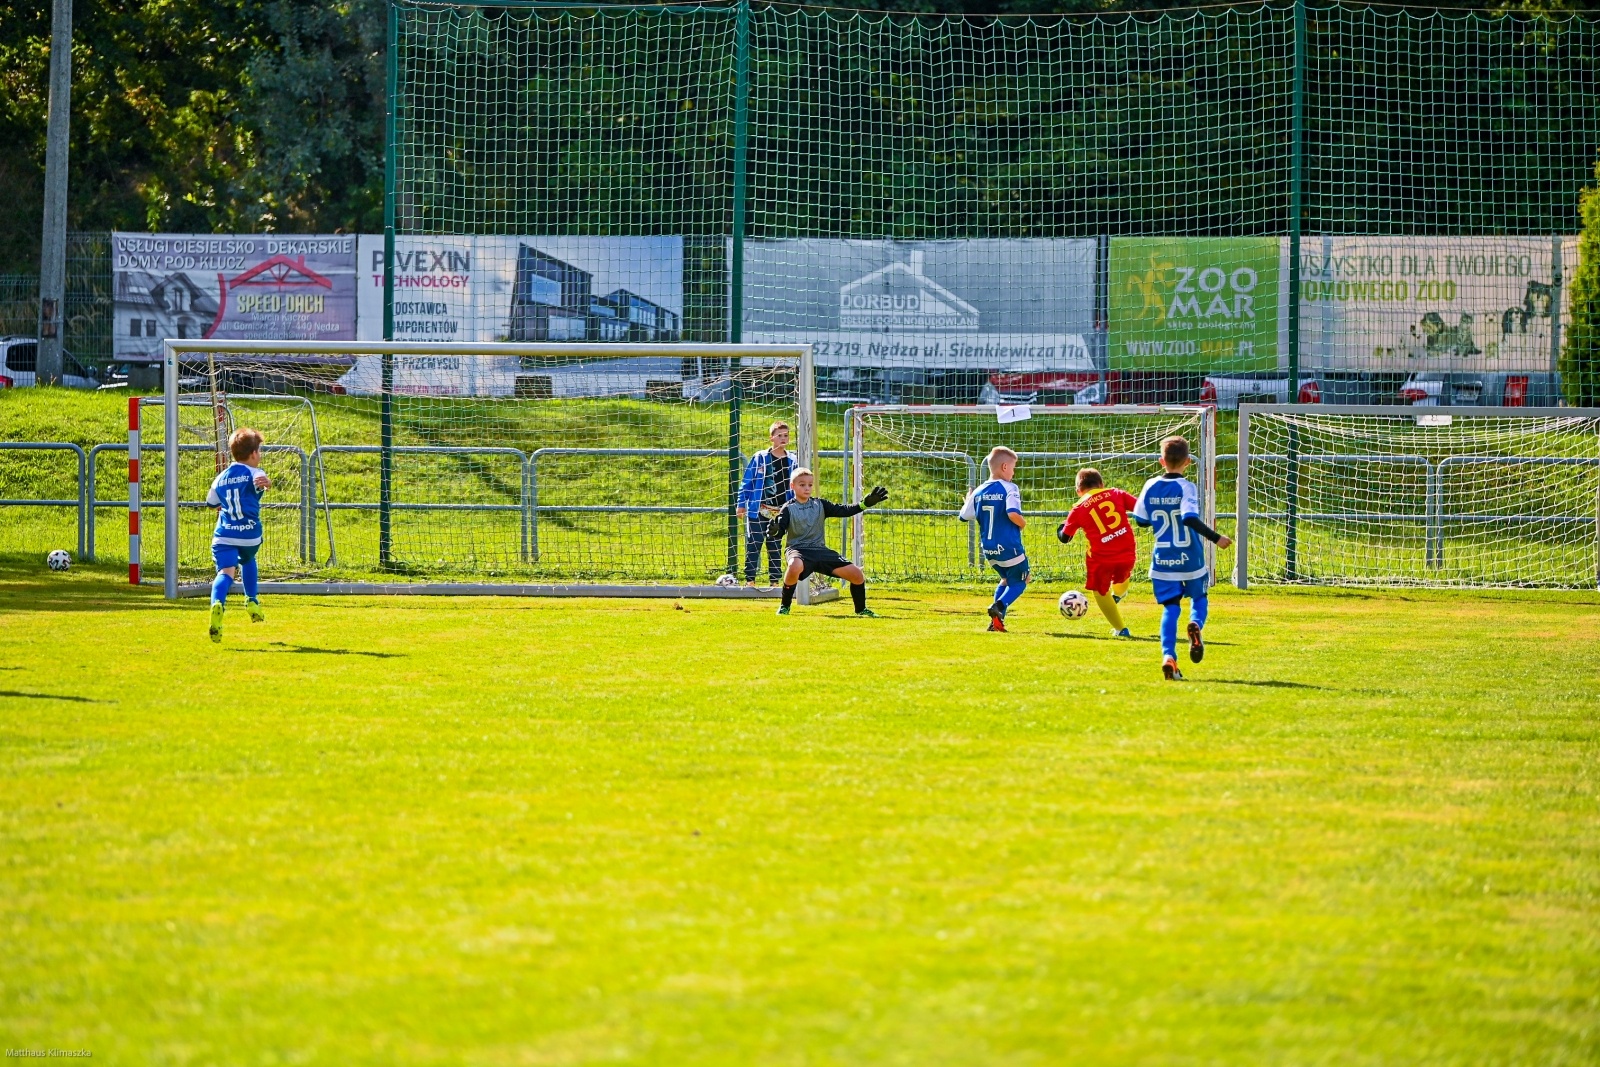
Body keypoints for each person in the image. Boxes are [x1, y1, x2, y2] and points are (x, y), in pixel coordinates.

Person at [1131, 436, 1232, 680]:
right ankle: (1195, 623)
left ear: (1161, 461)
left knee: (1170, 607)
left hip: (1163, 559)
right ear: (1188, 461)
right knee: (1199, 597)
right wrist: (1216, 538)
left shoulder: (1150, 485)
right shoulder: (1186, 487)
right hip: (1190, 557)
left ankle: (1169, 656)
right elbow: (1189, 518)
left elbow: (1140, 520)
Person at [768, 468, 888, 616]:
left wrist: (864, 504)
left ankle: (861, 610)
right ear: (792, 486)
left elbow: (845, 510)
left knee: (857, 575)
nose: (807, 488)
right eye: (802, 485)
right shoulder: (788, 509)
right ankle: (784, 606)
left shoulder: (820, 504)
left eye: (810, 485)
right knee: (794, 565)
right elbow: (779, 532)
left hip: (820, 550)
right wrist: (775, 531)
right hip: (798, 550)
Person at [205, 427, 271, 643]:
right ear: (253, 454)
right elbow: (261, 480)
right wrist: (266, 483)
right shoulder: (254, 472)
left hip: (224, 535)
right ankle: (251, 600)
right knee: (248, 559)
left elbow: (211, 502)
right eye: (259, 451)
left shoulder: (220, 478)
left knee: (225, 573)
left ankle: (217, 603)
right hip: (249, 535)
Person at [1058, 468, 1138, 638]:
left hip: (1101, 557)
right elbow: (1140, 508)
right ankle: (1119, 593)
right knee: (1122, 576)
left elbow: (1065, 538)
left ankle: (1121, 629)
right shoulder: (1117, 493)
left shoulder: (1078, 508)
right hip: (1127, 549)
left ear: (1078, 490)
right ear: (1101, 484)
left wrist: (1062, 527)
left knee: (1100, 591)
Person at [959, 446, 1028, 632]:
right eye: (1013, 468)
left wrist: (968, 500)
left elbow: (964, 516)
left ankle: (995, 623)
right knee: (1021, 580)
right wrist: (1023, 523)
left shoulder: (979, 491)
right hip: (1009, 545)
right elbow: (1012, 513)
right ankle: (999, 606)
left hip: (989, 550)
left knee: (1005, 579)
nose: (1013, 473)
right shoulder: (1010, 488)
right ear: (1004, 467)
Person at [736, 420, 794, 586]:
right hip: (759, 510)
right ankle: (750, 580)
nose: (783, 438)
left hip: (779, 512)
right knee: (754, 544)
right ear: (771, 438)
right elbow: (747, 482)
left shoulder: (792, 460)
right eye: (779, 435)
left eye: (786, 435)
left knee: (774, 546)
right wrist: (741, 504)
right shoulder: (760, 458)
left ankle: (774, 581)